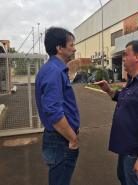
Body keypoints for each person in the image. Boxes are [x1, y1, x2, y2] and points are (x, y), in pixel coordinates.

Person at [95, 40, 138, 185]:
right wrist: (109, 91)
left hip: (136, 153)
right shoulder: (134, 80)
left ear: (137, 57)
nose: (123, 59)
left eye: (126, 55)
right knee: (124, 179)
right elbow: (126, 98)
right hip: (126, 149)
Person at [35, 27, 80, 185]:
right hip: (60, 140)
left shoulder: (55, 69)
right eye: (71, 45)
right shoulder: (54, 71)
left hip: (60, 138)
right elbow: (54, 113)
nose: (74, 48)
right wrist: (73, 138)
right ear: (59, 48)